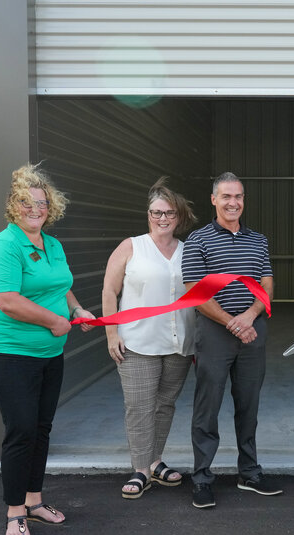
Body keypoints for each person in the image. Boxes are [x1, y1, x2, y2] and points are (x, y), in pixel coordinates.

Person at [0, 164, 95, 535]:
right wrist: (53, 321)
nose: (36, 209)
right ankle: (14, 513)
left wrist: (76, 310)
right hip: (10, 353)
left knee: (41, 429)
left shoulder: (53, 244)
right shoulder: (4, 245)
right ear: (14, 207)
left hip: (49, 354)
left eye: (42, 203)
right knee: (21, 431)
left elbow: (60, 285)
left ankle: (33, 501)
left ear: (52, 207)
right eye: (28, 204)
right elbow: (7, 300)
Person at [181, 172, 280, 509]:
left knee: (248, 405)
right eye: (226, 196)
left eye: (238, 196)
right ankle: (202, 478)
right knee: (207, 406)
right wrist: (232, 323)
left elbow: (266, 284)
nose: (233, 202)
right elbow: (195, 293)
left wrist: (250, 317)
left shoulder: (259, 240)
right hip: (214, 333)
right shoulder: (198, 240)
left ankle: (249, 472)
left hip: (253, 330)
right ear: (214, 200)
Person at [102, 178, 198, 499]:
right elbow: (109, 289)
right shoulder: (132, 246)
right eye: (156, 212)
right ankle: (140, 469)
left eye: (169, 213)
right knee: (139, 406)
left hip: (178, 343)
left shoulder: (188, 251)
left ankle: (155, 461)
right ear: (148, 215)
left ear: (179, 217)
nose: (162, 219)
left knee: (165, 405)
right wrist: (111, 332)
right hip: (137, 342)